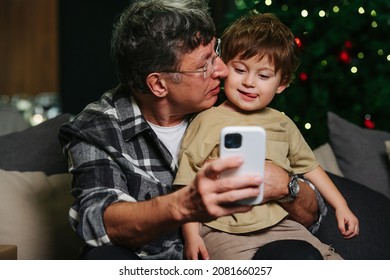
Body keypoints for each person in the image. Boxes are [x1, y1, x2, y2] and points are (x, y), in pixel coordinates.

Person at [59, 0, 324, 260]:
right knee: (104, 259)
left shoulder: (235, 104)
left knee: (297, 255)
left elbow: (314, 214)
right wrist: (183, 205)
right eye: (205, 64)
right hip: (150, 263)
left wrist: (285, 185)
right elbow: (97, 220)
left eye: (216, 52)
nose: (222, 70)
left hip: (238, 257)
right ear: (159, 85)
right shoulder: (96, 128)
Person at [174, 12, 359, 260]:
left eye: (263, 76)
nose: (249, 82)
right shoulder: (206, 120)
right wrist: (192, 235)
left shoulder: (282, 123)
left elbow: (311, 167)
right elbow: (187, 183)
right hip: (223, 231)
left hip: (281, 225)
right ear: (223, 67)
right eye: (240, 69)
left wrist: (341, 206)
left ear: (281, 84)